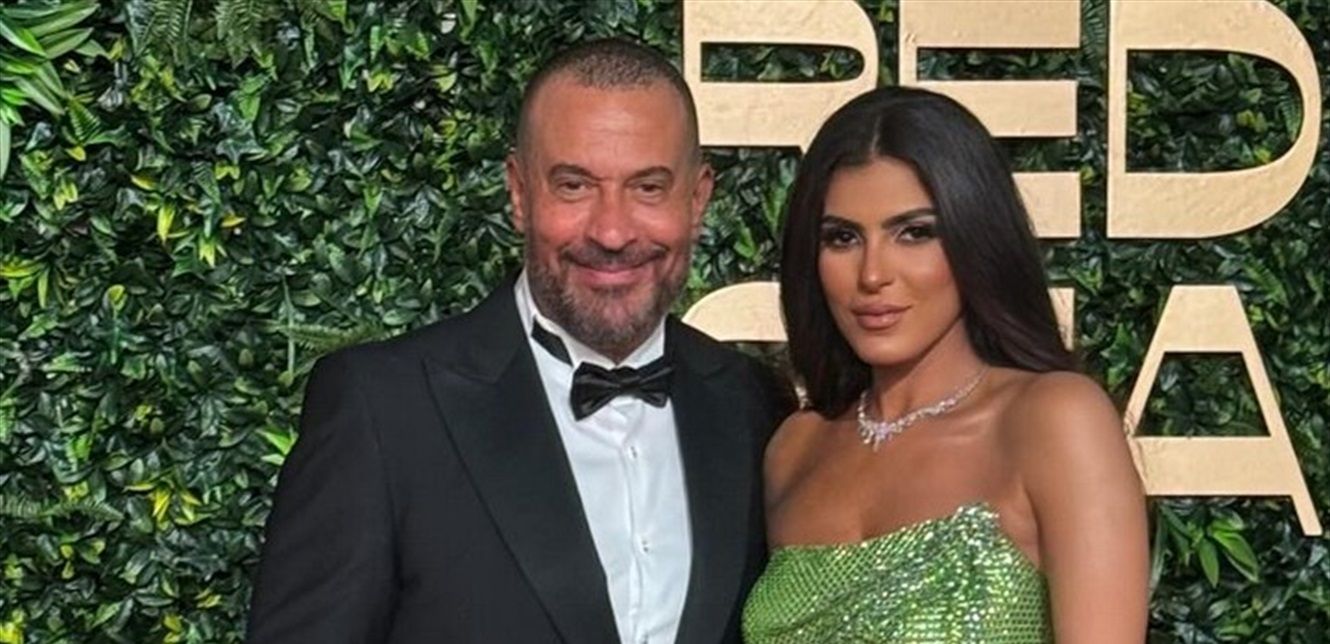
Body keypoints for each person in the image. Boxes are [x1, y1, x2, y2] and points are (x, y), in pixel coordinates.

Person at [247, 38, 790, 644]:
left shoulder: (753, 405)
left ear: (697, 199)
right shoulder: (383, 407)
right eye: (574, 186)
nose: (612, 232)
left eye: (648, 188)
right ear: (519, 194)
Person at [742, 86, 1149, 643]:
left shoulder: (1054, 419)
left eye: (914, 233)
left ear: (974, 238)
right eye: (842, 238)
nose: (873, 275)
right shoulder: (795, 449)